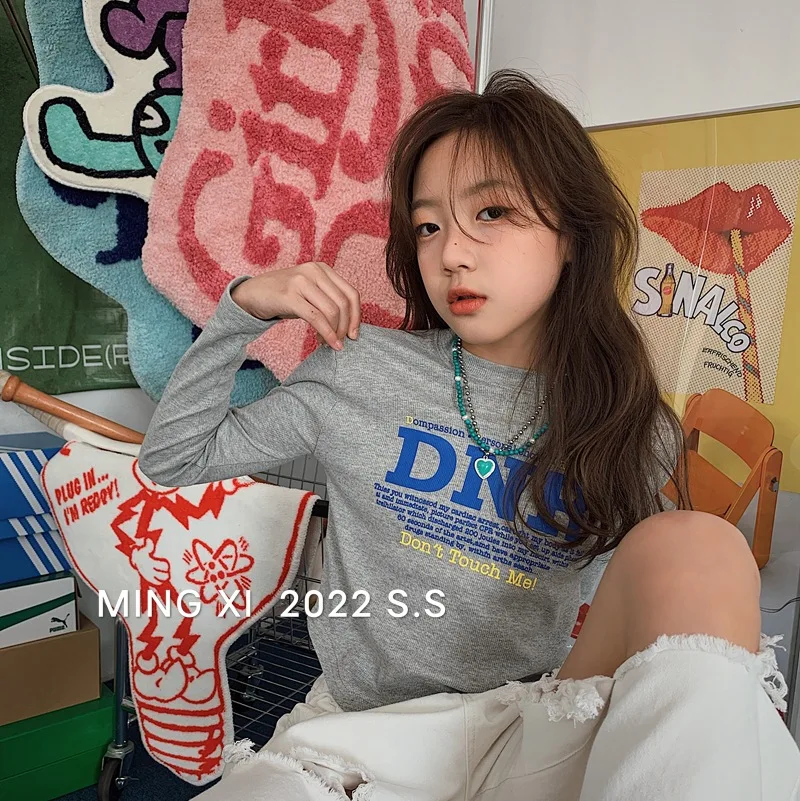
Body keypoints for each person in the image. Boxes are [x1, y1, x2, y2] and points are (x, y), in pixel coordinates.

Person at [138, 70, 800, 800]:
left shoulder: (628, 424)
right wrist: (243, 309)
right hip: (358, 734)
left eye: (491, 212)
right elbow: (173, 459)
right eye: (429, 227)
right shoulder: (359, 369)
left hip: (519, 728)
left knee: (703, 545)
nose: (451, 253)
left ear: (571, 234)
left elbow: (613, 606)